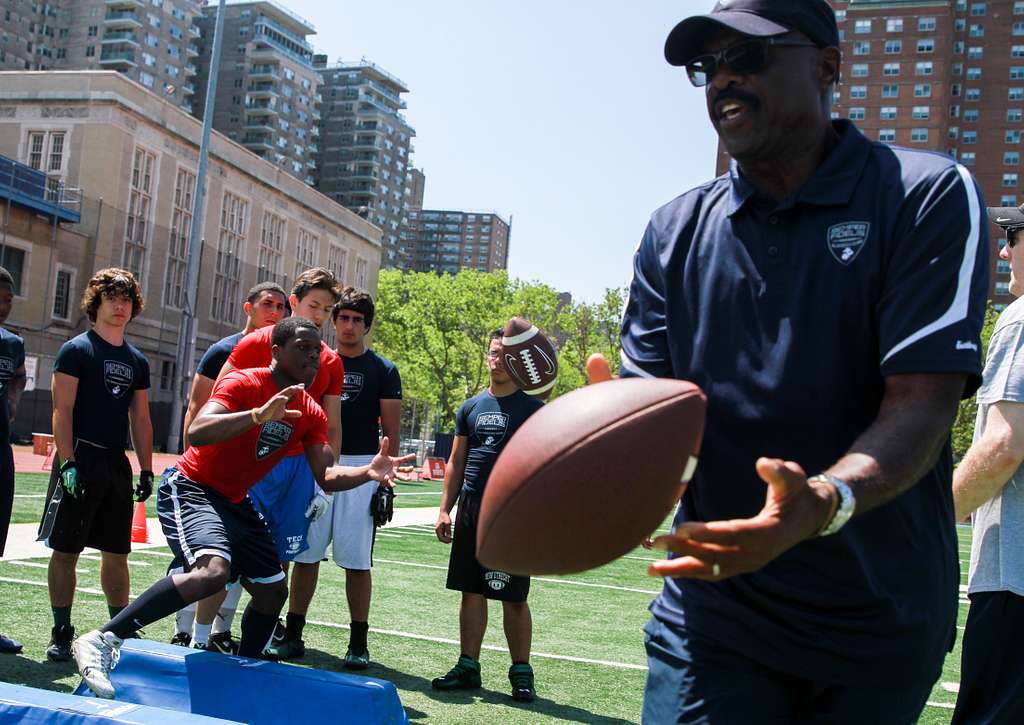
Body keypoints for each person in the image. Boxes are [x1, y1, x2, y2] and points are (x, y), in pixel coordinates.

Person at [590, 2, 991, 722]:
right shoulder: (674, 230)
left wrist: (823, 501)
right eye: (708, 66)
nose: (724, 80)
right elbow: (656, 419)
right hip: (716, 615)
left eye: (748, 58)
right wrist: (603, 437)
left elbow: (922, 404)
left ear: (828, 65)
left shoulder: (923, 194)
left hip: (876, 620)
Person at [71, 317, 412, 700]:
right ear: (276, 351)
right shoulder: (244, 382)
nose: (314, 356)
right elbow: (198, 431)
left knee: (272, 589)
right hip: (192, 487)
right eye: (303, 347)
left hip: (234, 499)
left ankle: (246, 670)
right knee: (213, 572)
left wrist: (367, 471)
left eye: (318, 350)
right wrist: (257, 415)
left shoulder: (310, 412)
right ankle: (102, 638)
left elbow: (326, 474)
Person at [219, 267, 343, 655]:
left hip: (295, 467)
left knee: (281, 555)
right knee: (228, 554)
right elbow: (216, 403)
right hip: (249, 463)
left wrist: (325, 480)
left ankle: (265, 634)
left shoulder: (331, 360)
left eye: (326, 309)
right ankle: (208, 629)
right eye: (313, 305)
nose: (320, 315)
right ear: (294, 302)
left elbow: (330, 424)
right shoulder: (258, 342)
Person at [274, 288, 402, 666]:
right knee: (307, 555)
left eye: (357, 320)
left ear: (367, 325)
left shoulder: (383, 369)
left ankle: (358, 643)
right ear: (333, 321)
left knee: (357, 560)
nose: (349, 325)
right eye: (343, 317)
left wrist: (383, 482)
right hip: (318, 461)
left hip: (362, 467)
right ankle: (293, 633)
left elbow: (390, 432)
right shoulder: (315, 360)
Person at [38, 268, 154, 662]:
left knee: (117, 553)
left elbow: (140, 419)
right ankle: (61, 631)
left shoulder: (137, 360)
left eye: (126, 300)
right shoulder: (76, 350)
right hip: (80, 459)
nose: (120, 306)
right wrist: (67, 461)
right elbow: (62, 410)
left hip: (115, 464)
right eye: (112, 298)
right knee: (66, 551)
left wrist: (147, 468)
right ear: (97, 303)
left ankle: (117, 633)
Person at [170, 281, 288, 653]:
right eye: (267, 304)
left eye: (281, 307)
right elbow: (197, 407)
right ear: (247, 308)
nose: (274, 311)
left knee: (241, 562)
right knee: (201, 559)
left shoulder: (283, 359)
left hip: (249, 473)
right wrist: (195, 456)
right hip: (207, 474)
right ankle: (183, 628)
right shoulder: (223, 351)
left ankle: (221, 631)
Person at [432, 330, 543, 702]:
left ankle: (521, 673)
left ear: (516, 361)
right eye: (493, 353)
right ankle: (468, 666)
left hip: (511, 513)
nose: (496, 360)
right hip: (471, 509)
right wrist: (445, 509)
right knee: (471, 590)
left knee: (513, 597)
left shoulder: (534, 410)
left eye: (504, 355)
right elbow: (457, 462)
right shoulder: (471, 407)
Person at [950, 206, 1024, 725]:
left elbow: (1004, 445)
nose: (1003, 251)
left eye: (1013, 237)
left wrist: (924, 519)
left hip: (1014, 581)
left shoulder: (1021, 319)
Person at [0, 267, 26, 654]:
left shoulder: (12, 343)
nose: (4, 306)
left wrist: (13, 402)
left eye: (8, 299)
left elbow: (18, 376)